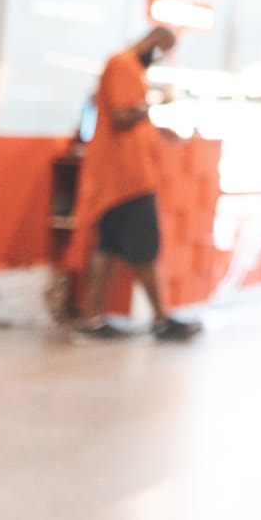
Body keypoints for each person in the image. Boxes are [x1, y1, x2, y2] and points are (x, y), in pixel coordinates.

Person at [73, 27, 200, 341]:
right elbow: (121, 113)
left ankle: (93, 317)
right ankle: (160, 319)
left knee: (109, 246)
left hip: (125, 176)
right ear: (151, 40)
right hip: (128, 178)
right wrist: (156, 103)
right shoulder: (123, 64)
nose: (159, 57)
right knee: (144, 249)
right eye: (161, 50)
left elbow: (132, 115)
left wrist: (159, 128)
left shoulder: (129, 68)